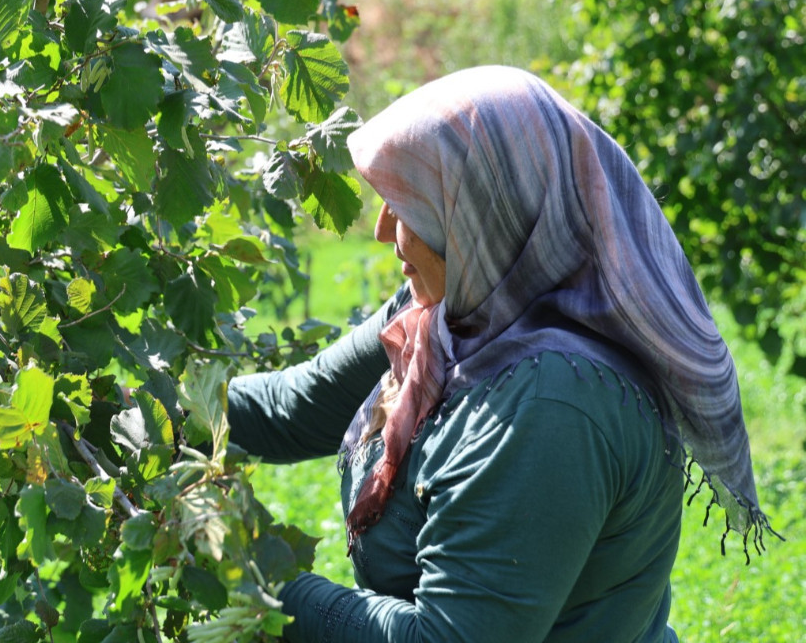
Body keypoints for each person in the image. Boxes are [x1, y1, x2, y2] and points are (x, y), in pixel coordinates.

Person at [227, 66, 775, 643]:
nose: (384, 230)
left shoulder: (553, 407)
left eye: (411, 204)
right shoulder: (450, 315)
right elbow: (292, 409)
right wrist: (167, 409)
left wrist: (255, 582)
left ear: (483, 214)